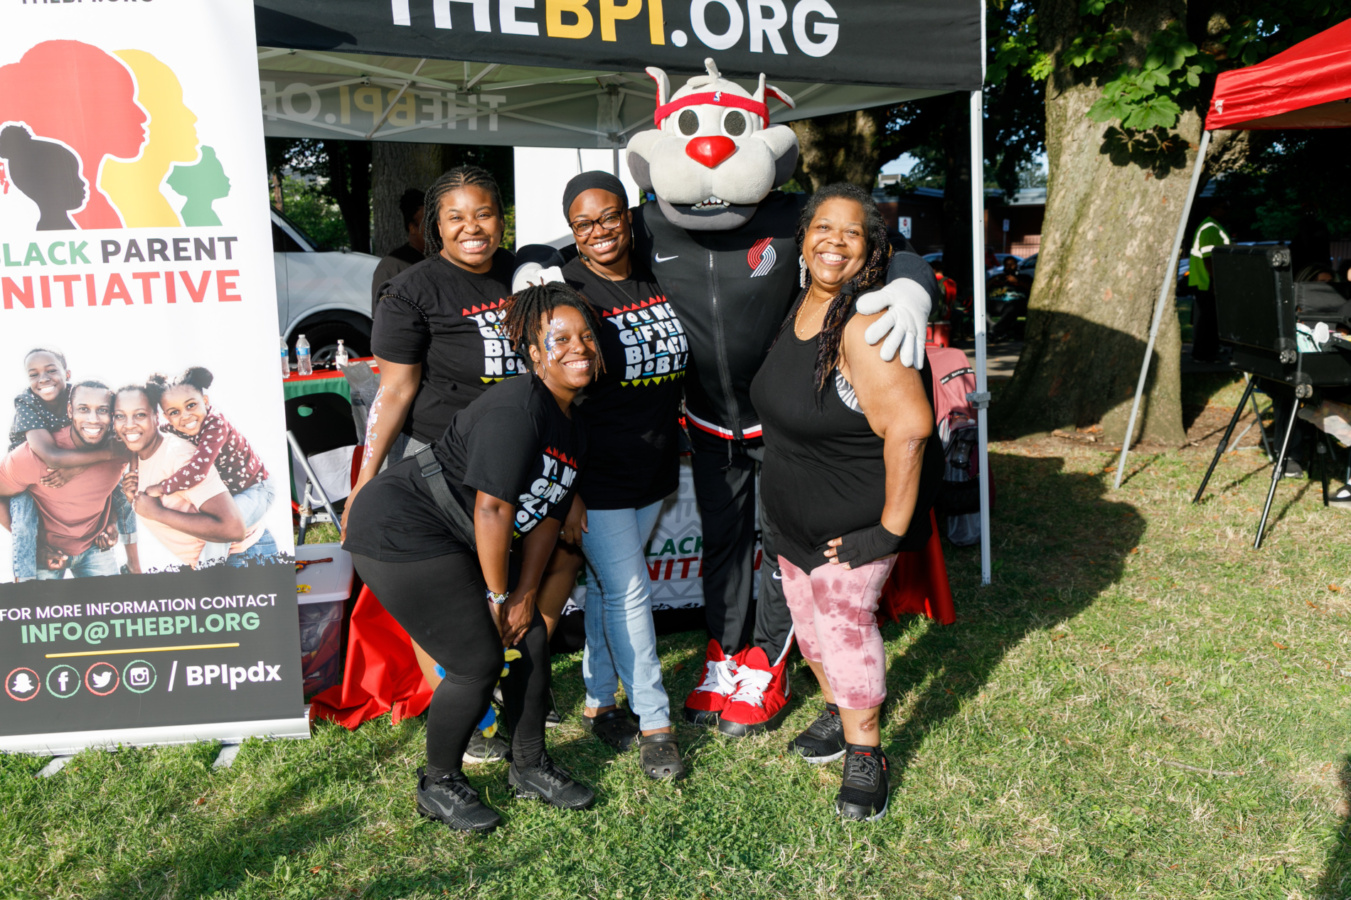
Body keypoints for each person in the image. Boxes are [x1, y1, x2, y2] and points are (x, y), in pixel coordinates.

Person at [342, 283, 600, 833]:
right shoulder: (518, 408)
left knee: (531, 635)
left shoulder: (573, 421)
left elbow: (548, 514)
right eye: (560, 339)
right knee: (476, 662)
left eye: (586, 337)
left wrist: (525, 596)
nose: (578, 348)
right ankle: (438, 784)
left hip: (454, 532)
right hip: (399, 529)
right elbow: (493, 508)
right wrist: (498, 595)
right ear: (534, 354)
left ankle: (529, 765)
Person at [750, 183, 943, 821]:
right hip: (790, 522)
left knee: (844, 634)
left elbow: (911, 429)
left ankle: (867, 754)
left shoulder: (863, 325)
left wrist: (887, 532)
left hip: (851, 529)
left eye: (851, 232)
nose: (834, 242)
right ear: (803, 238)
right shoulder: (799, 302)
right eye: (822, 228)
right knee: (810, 636)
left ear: (872, 249)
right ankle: (837, 710)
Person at [346, 165, 524, 763]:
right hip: (435, 465)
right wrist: (366, 481)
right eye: (456, 217)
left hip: (514, 457)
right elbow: (393, 391)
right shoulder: (411, 290)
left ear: (501, 220)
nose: (472, 227)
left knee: (501, 584)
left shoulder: (523, 275)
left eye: (484, 213)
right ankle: (469, 718)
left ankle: (509, 688)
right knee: (449, 596)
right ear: (435, 228)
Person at [554, 171, 687, 779]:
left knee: (610, 590)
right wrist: (569, 488)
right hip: (598, 470)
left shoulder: (656, 273)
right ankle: (655, 721)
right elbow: (551, 392)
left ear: (629, 217)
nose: (599, 231)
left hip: (654, 462)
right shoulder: (567, 289)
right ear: (572, 231)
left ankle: (597, 698)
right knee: (630, 591)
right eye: (583, 223)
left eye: (609, 216)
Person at [7, 349, 139, 581]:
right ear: (71, 410)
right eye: (34, 374)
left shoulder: (80, 393)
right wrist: (106, 454)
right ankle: (26, 583)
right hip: (38, 462)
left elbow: (134, 447)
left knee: (122, 490)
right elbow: (52, 457)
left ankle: (134, 565)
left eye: (51, 371)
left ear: (67, 374)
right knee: (24, 516)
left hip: (90, 539)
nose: (43, 379)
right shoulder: (27, 403)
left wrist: (110, 520)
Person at [113, 385, 276, 569]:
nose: (129, 424)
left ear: (156, 417)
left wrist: (159, 506)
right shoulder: (140, 454)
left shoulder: (180, 452)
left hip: (245, 552)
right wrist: (134, 493)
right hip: (229, 558)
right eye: (120, 416)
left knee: (217, 546)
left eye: (140, 414)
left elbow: (233, 528)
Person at [370, 188, 428, 316]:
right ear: (412, 228)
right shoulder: (391, 267)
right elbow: (383, 318)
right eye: (428, 223)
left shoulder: (448, 259)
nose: (437, 228)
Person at [1188, 206, 1231, 363]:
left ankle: (1205, 352)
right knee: (1208, 319)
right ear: (1214, 210)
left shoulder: (1211, 226)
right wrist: (1215, 281)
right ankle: (1204, 354)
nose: (1226, 211)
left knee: (1208, 318)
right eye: (1223, 207)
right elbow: (1208, 258)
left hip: (1204, 281)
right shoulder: (1210, 228)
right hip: (1205, 282)